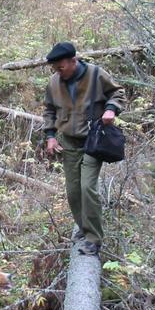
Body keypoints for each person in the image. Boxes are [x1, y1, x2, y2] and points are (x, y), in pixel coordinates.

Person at [43, 42, 126, 255]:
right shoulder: (54, 82)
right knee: (73, 192)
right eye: (54, 68)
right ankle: (83, 226)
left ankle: (94, 239)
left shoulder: (96, 75)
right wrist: (51, 136)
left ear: (74, 61)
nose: (57, 72)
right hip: (68, 142)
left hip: (92, 140)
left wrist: (110, 109)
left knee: (87, 188)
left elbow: (118, 93)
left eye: (60, 67)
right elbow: (49, 110)